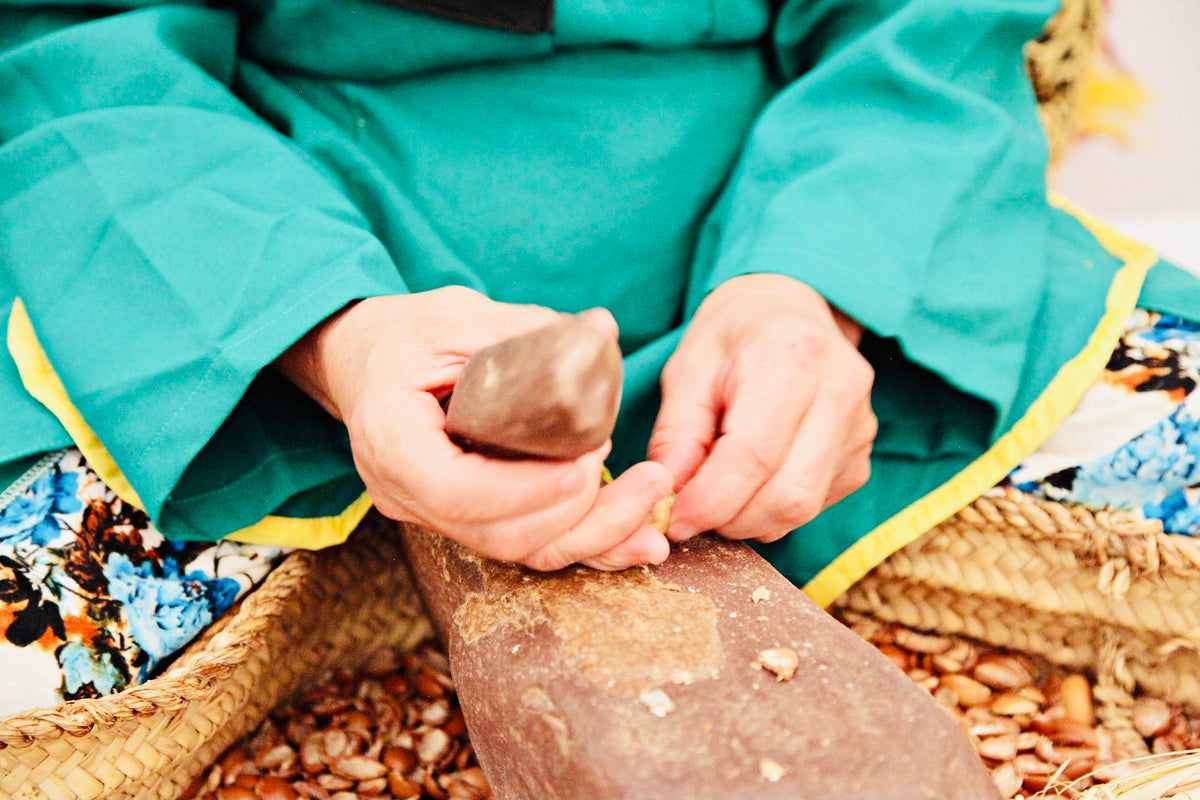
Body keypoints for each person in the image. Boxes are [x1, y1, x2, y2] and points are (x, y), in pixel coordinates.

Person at [2, 0, 1198, 709]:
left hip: (810, 223)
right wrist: (339, 340)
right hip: (250, 298)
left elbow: (926, 29)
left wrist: (816, 289)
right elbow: (79, 51)